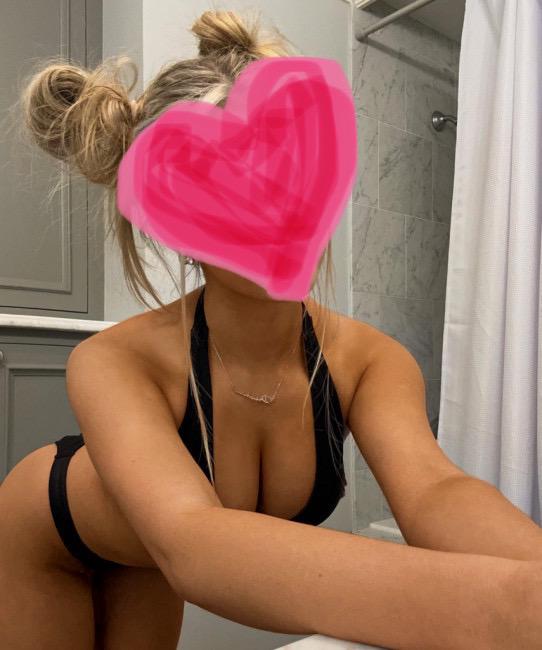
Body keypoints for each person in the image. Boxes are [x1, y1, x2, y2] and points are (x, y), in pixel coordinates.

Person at [0, 8, 540, 650]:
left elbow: (435, 491)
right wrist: (508, 610)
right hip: (50, 543)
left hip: (145, 547)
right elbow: (193, 542)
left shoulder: (367, 360)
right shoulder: (115, 361)